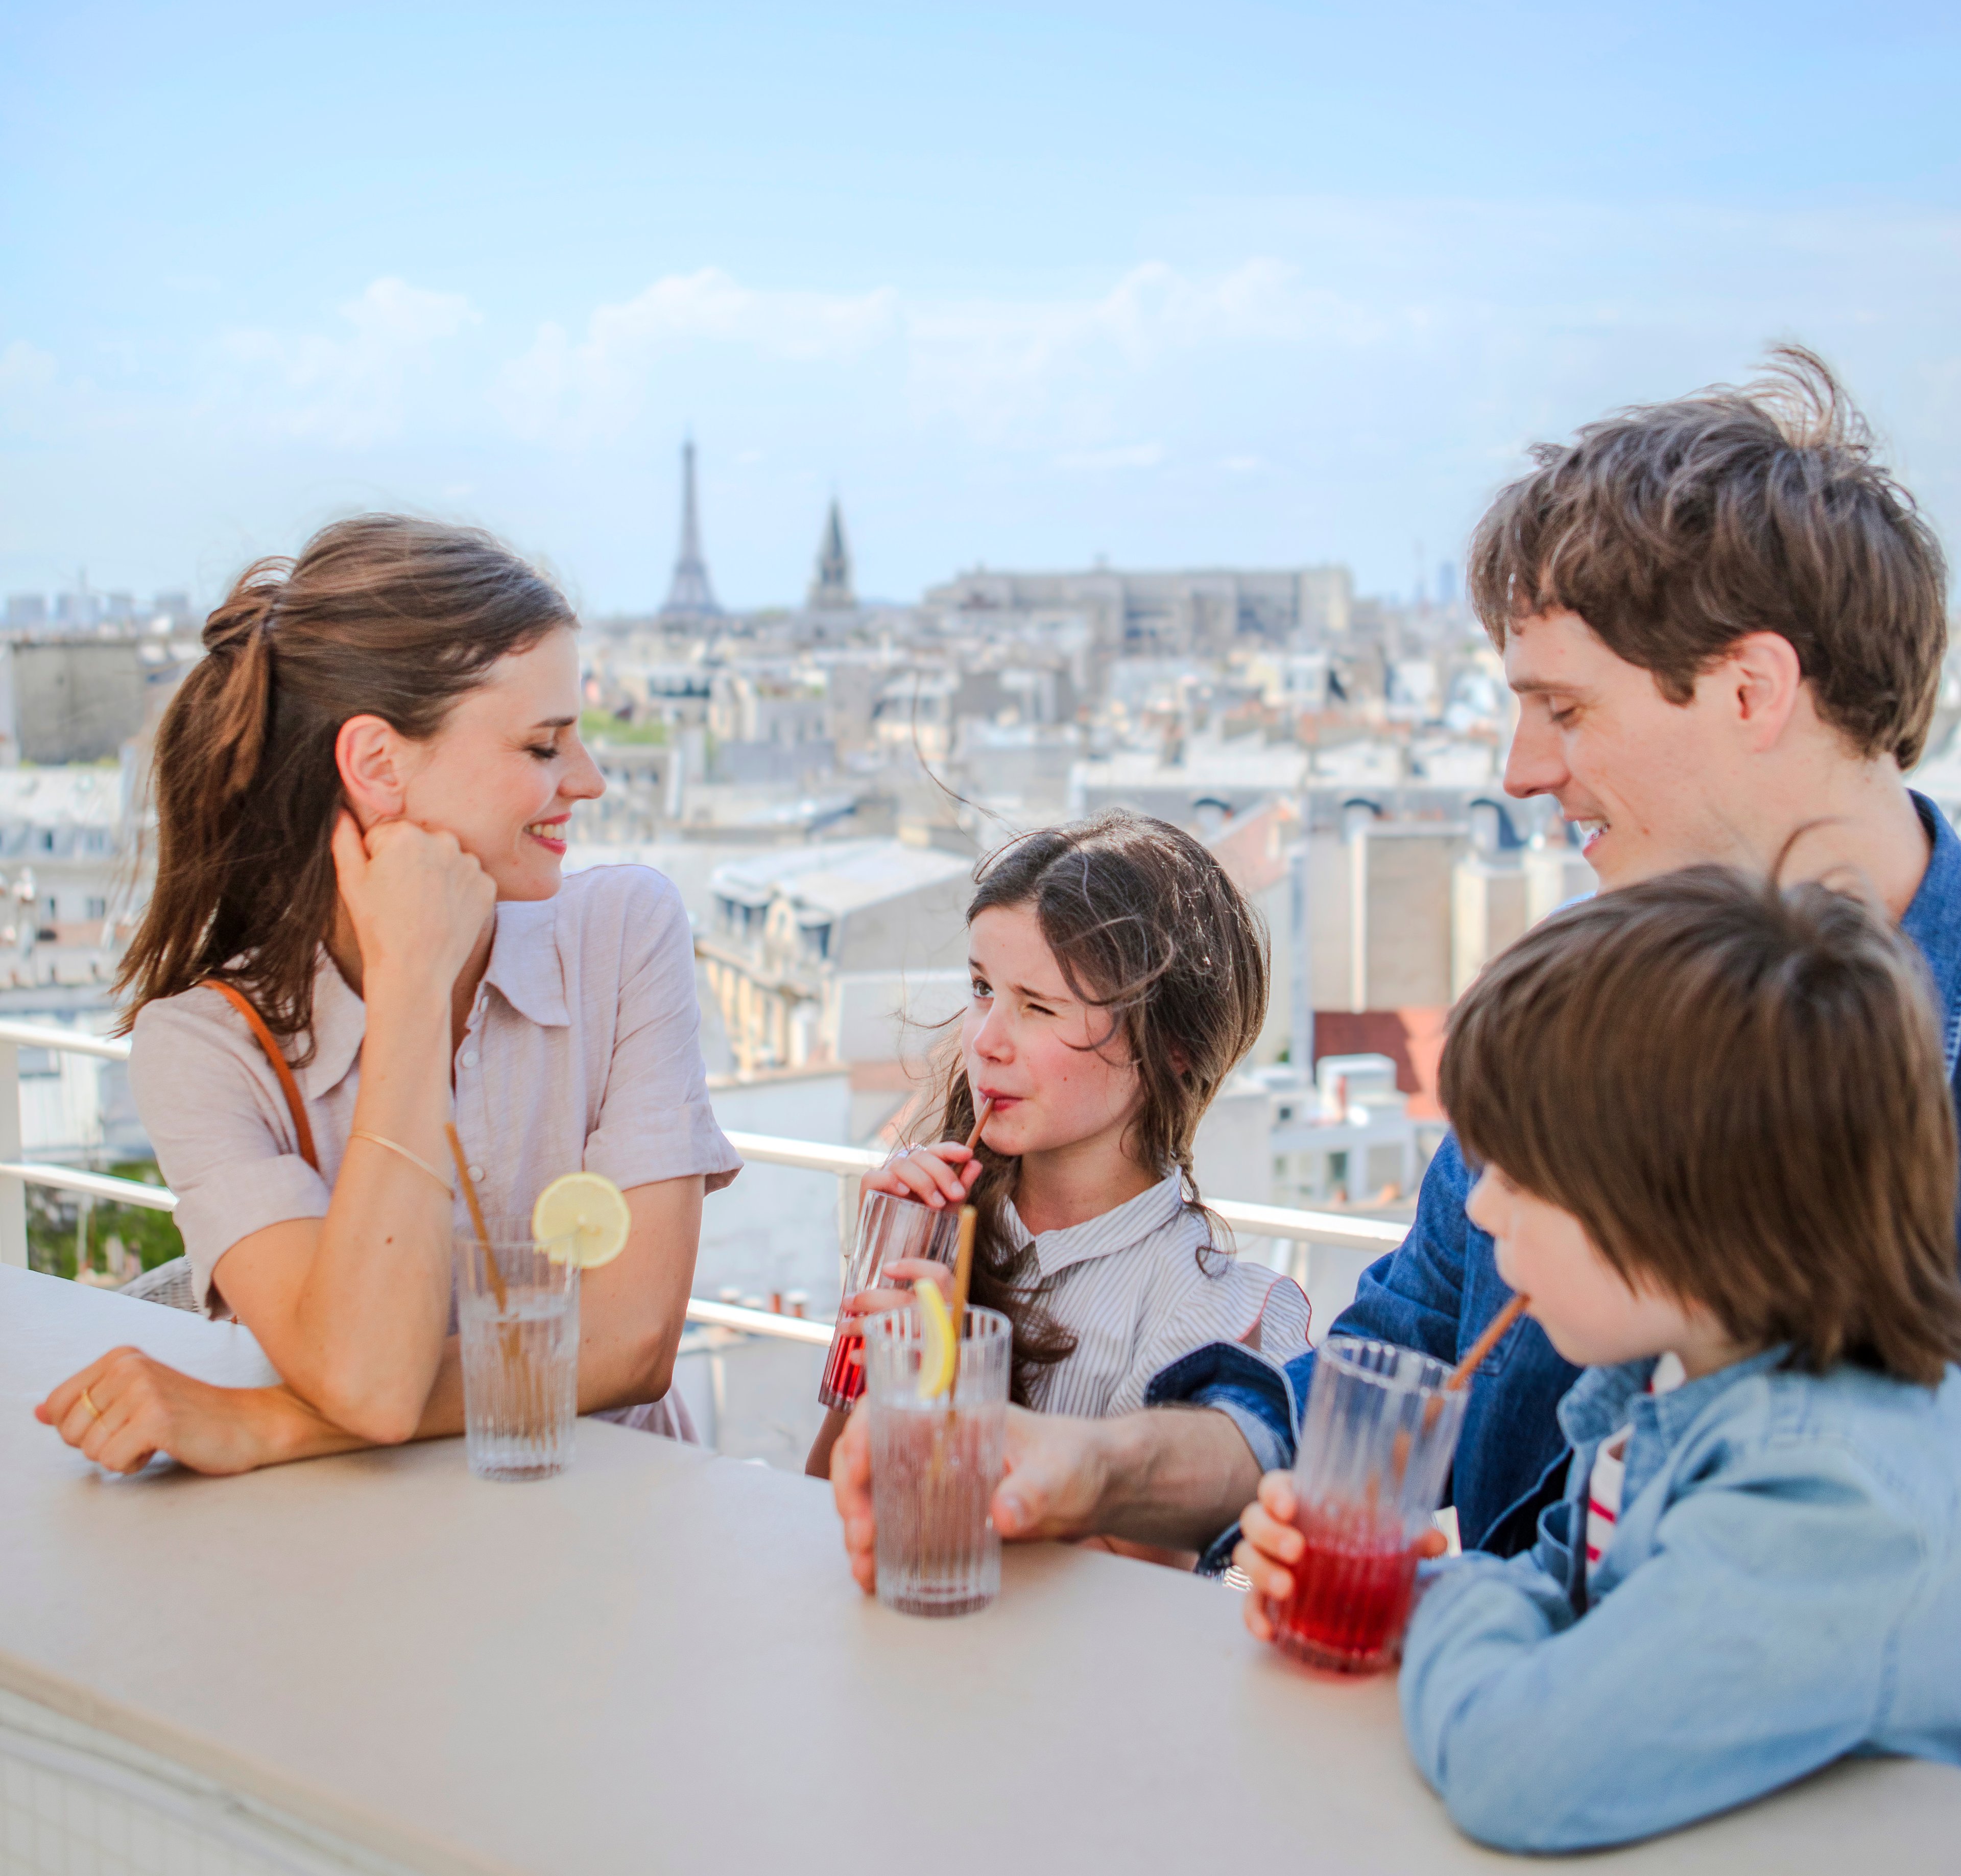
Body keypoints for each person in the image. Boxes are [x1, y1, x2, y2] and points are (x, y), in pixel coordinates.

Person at [829, 349, 1961, 1576]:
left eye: (1566, 711)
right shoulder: (1576, 1018)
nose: (1522, 771)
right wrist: (1090, 1467)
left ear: (1752, 689)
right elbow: (1387, 1375)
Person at [1245, 866, 1961, 1849]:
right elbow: (1568, 1596)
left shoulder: (1827, 1499)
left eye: (1524, 1178)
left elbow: (1516, 1767)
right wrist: (1413, 1595)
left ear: (1697, 1228)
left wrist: (1454, 1603)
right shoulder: (1665, 1387)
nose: (1483, 1209)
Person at [35, 517, 740, 1477]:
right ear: (378, 765)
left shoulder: (624, 931)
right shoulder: (203, 1050)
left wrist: (276, 1421)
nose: (592, 780)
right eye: (542, 746)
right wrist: (411, 988)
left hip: (610, 1531)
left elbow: (631, 1349)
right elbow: (368, 1379)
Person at [820, 815, 1307, 1539]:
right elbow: (823, 1494)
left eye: (1039, 1007)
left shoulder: (1229, 1316)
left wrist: (951, 1383)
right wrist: (876, 1350)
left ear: (1171, 1046)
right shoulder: (929, 1224)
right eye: (983, 988)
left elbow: (1130, 1599)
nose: (985, 1043)